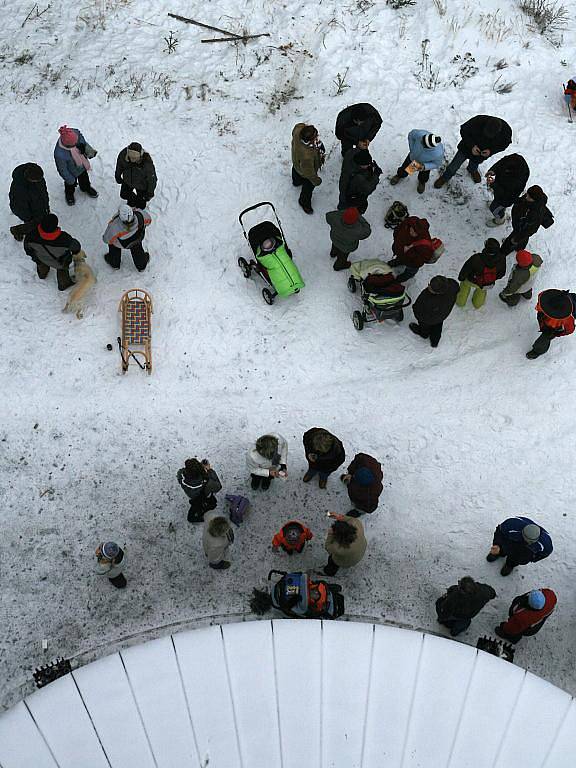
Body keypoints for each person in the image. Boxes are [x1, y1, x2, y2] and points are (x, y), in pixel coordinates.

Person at [434, 115, 512, 188]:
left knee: (475, 164)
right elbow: (463, 130)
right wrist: (472, 146)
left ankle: (472, 170)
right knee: (454, 165)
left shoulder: (506, 132)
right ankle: (445, 177)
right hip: (466, 148)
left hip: (481, 154)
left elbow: (504, 145)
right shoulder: (478, 121)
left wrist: (491, 151)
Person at [23, 213, 80, 291]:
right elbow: (76, 247)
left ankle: (42, 274)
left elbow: (28, 249)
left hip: (41, 259)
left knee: (41, 265)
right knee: (62, 269)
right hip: (60, 263)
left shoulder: (31, 235)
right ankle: (63, 284)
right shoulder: (64, 239)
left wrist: (35, 258)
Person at [487, 516, 553, 576]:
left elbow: (545, 553)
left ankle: (510, 564)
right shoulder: (512, 524)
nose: (526, 542)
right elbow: (500, 532)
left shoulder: (545, 543)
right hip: (511, 541)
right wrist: (497, 544)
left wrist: (532, 558)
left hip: (525, 551)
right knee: (505, 547)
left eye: (530, 541)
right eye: (525, 538)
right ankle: (499, 552)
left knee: (517, 558)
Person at [409, 275, 460, 348]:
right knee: (438, 326)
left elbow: (418, 309)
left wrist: (415, 311)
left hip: (427, 319)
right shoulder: (452, 285)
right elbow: (457, 289)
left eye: (431, 287)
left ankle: (424, 334)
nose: (429, 286)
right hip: (442, 315)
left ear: (437, 292)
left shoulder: (427, 296)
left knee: (424, 327)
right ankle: (435, 341)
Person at [387, 216, 442, 282]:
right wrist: (396, 238)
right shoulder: (411, 221)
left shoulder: (425, 246)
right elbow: (399, 227)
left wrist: (408, 252)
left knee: (410, 272)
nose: (412, 232)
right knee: (400, 258)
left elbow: (420, 261)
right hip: (401, 253)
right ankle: (398, 261)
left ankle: (403, 278)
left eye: (415, 232)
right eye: (412, 229)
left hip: (412, 263)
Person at [500, 186, 551, 256]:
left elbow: (528, 230)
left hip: (521, 230)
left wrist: (516, 239)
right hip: (520, 226)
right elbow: (521, 200)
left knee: (510, 242)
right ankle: (520, 247)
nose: (526, 197)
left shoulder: (534, 213)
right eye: (527, 194)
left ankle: (502, 253)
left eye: (529, 197)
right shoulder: (531, 199)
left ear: (535, 199)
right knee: (524, 239)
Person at [456, 238, 506, 309]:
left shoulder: (477, 258)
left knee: (464, 285)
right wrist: (491, 278)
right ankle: (477, 304)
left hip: (473, 280)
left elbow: (466, 269)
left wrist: (461, 277)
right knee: (482, 291)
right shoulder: (502, 258)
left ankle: (460, 302)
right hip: (487, 283)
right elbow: (502, 273)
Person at [54, 125, 98, 205]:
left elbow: (80, 136)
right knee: (70, 185)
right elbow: (62, 169)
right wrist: (70, 179)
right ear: (67, 146)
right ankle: (69, 194)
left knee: (84, 179)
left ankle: (86, 188)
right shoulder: (59, 154)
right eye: (74, 145)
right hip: (71, 171)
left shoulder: (74, 132)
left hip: (81, 166)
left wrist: (82, 145)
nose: (76, 145)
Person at [526, 289, 575, 359]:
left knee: (545, 338)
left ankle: (538, 351)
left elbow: (570, 330)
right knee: (541, 320)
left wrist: (556, 334)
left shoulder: (567, 318)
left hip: (551, 328)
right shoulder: (545, 297)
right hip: (544, 318)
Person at [102, 203, 152, 271]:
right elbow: (149, 221)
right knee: (137, 249)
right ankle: (141, 266)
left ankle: (114, 263)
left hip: (123, 244)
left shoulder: (115, 226)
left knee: (113, 245)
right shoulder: (140, 215)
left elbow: (107, 239)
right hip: (138, 238)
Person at [485, 153, 530, 226]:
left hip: (505, 199)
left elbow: (506, 194)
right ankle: (499, 208)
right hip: (500, 192)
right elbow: (501, 162)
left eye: (507, 170)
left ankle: (499, 220)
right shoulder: (514, 159)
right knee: (496, 204)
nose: (504, 169)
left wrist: (493, 184)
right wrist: (493, 170)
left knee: (494, 209)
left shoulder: (517, 181)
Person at [9, 163, 50, 241]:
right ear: (30, 179)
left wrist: (46, 205)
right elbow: (19, 207)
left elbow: (43, 191)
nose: (40, 181)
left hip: (39, 206)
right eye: (37, 180)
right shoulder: (19, 189)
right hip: (29, 212)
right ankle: (17, 231)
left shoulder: (38, 176)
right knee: (32, 225)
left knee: (40, 221)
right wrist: (29, 218)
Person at [291, 123, 325, 214]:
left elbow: (299, 125)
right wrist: (316, 180)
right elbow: (309, 173)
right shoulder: (307, 156)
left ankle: (296, 181)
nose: (317, 137)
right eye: (315, 136)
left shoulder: (298, 131)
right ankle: (304, 202)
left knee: (296, 169)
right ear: (310, 141)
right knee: (308, 185)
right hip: (305, 169)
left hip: (296, 161)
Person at [325, 207, 371, 271]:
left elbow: (327, 215)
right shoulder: (358, 230)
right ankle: (339, 265)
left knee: (335, 246)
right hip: (346, 247)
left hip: (335, 239)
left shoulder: (335, 217)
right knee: (342, 257)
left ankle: (333, 253)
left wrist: (343, 212)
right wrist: (359, 217)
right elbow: (367, 231)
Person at [177, 458, 222, 523]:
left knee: (195, 506)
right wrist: (209, 470)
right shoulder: (206, 482)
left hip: (192, 495)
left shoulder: (181, 476)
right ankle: (201, 516)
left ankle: (194, 516)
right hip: (202, 495)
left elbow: (181, 471)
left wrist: (196, 468)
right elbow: (218, 486)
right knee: (212, 504)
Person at [338, 148, 382, 214]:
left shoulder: (350, 155)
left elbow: (357, 151)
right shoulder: (358, 178)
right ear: (360, 165)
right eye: (367, 165)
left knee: (342, 201)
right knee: (348, 207)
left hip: (343, 186)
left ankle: (340, 209)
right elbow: (368, 189)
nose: (368, 165)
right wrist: (376, 175)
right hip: (351, 195)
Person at [115, 142, 157, 209]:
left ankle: (138, 204)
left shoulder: (147, 163)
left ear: (140, 155)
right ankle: (133, 201)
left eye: (135, 158)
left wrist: (149, 193)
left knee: (141, 205)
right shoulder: (123, 154)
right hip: (127, 180)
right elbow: (119, 165)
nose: (132, 160)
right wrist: (118, 175)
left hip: (141, 185)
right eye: (130, 157)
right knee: (124, 194)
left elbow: (152, 179)